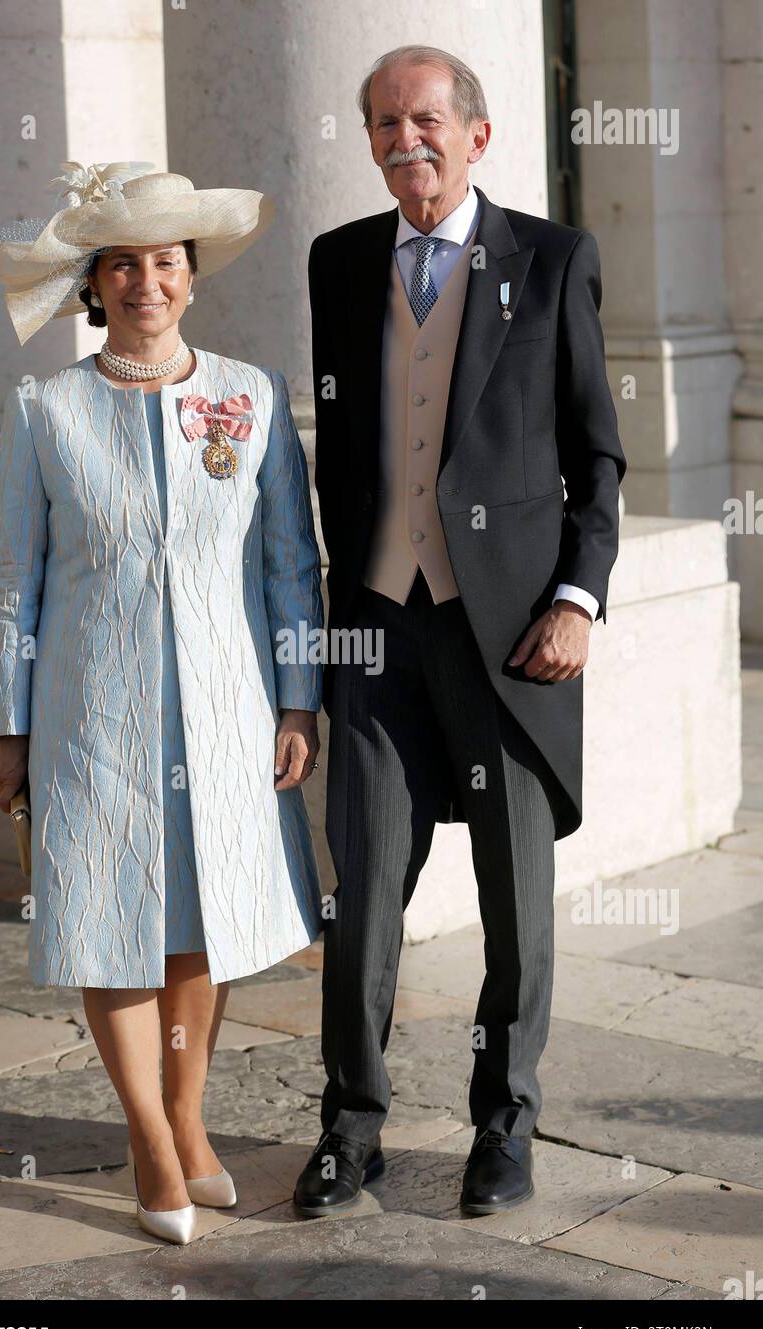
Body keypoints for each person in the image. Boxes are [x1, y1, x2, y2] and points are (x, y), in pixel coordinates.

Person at [295, 47, 626, 1217]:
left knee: (512, 903)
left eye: (425, 120)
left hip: (509, 638)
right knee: (362, 889)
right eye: (383, 122)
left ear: (475, 135)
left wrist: (576, 601)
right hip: (377, 628)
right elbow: (341, 459)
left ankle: (505, 1130)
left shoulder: (549, 258)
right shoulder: (338, 263)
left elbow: (595, 456)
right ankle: (350, 1127)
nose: (404, 140)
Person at [0, 162, 324, 1244]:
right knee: (105, 920)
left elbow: (290, 566)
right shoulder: (46, 409)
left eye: (165, 262)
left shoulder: (250, 392)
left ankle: (187, 1116)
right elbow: (15, 582)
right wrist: (8, 725)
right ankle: (145, 1136)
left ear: (191, 275)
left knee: (198, 919)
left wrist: (298, 698)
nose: (146, 282)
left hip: (225, 706)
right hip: (92, 712)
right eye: (122, 265)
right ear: (95, 284)